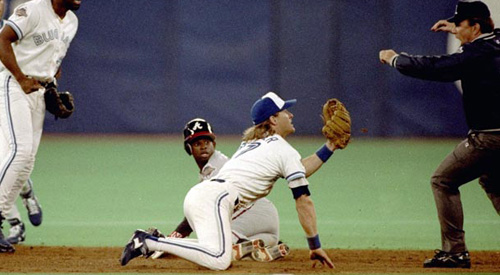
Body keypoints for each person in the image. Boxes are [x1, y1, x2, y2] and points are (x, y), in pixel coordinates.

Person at [120, 92, 337, 270]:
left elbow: (300, 169)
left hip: (205, 196)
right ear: (273, 119)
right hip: (216, 198)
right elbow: (303, 200)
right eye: (285, 111)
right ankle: (148, 241)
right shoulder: (281, 149)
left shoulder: (254, 145)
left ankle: (160, 243)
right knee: (220, 260)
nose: (290, 115)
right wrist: (314, 244)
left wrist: (330, 146)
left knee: (215, 249)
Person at [379, 0, 500, 269]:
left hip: (489, 138)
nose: (455, 28)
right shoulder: (495, 42)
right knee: (493, 182)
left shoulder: (475, 54)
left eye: (460, 24)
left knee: (442, 180)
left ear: (476, 26)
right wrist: (455, 29)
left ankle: (454, 252)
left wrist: (396, 59)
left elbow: (437, 67)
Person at [0, 0, 81, 253]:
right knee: (19, 151)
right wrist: (21, 77)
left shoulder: (72, 22)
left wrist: (52, 84)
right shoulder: (34, 9)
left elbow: (53, 58)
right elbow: (2, 39)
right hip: (14, 84)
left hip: (38, 92)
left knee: (28, 161)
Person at [150, 118, 289, 262]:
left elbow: (193, 218)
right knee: (231, 251)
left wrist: (171, 240)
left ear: (214, 144)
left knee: (213, 242)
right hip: (262, 223)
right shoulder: (212, 167)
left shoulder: (219, 167)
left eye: (207, 142)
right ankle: (265, 248)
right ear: (189, 149)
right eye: (197, 143)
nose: (203, 146)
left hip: (254, 211)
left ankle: (240, 242)